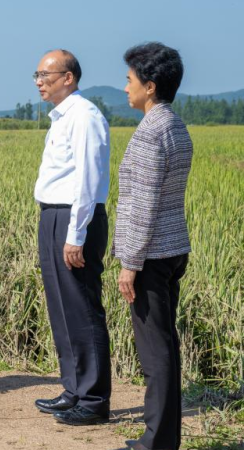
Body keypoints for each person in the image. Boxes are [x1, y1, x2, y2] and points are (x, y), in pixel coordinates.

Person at [114, 42, 193, 450]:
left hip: (151, 254)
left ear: (150, 85)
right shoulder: (176, 126)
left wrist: (130, 263)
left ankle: (156, 442)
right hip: (173, 247)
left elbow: (143, 205)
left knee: (155, 352)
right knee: (165, 345)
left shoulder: (150, 133)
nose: (125, 87)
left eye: (130, 80)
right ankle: (164, 437)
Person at [32, 49, 113, 426]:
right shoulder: (61, 118)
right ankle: (74, 389)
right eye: (36, 75)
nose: (39, 81)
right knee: (62, 308)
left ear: (69, 78)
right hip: (54, 215)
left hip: (74, 219)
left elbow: (87, 179)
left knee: (81, 307)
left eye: (46, 75)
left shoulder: (84, 116)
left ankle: (94, 400)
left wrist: (75, 234)